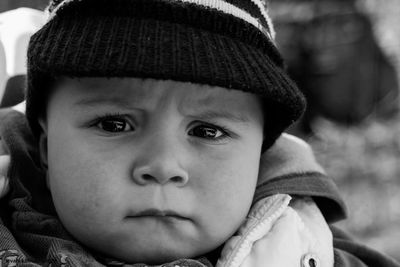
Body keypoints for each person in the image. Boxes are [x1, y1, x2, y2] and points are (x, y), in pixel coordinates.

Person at [0, 0, 398, 266]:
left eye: (208, 130)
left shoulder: (310, 250)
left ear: (260, 155)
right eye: (114, 124)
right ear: (48, 148)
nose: (162, 166)